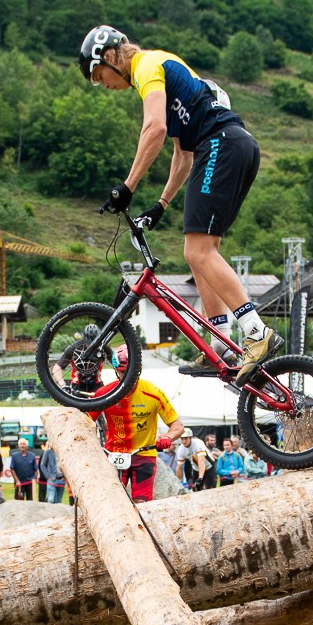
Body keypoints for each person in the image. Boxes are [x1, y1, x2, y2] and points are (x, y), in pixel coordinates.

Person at [79, 25, 274, 377]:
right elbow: (182, 154)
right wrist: (161, 204)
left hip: (220, 144)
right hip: (231, 145)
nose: (104, 85)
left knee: (199, 252)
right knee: (199, 251)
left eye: (99, 75)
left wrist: (127, 186)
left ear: (109, 57)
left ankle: (258, 334)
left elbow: (153, 128)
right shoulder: (164, 77)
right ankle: (220, 346)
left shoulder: (145, 66)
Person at [96, 351, 182, 503]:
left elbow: (177, 426)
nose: (128, 376)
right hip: (114, 454)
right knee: (113, 502)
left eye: (132, 371)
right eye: (123, 372)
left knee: (142, 503)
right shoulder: (104, 393)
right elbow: (85, 422)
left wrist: (167, 437)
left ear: (139, 369)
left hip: (144, 454)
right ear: (116, 371)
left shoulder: (153, 393)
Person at [9, 435, 41, 504]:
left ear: (27, 446)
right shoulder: (14, 456)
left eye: (24, 444)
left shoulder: (32, 456)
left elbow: (36, 469)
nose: (22, 446)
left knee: (30, 501)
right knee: (19, 502)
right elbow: (12, 469)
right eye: (21, 444)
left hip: (30, 482)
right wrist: (17, 481)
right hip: (19, 482)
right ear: (18, 446)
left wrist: (34, 479)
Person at [39, 439, 65, 506]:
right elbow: (42, 465)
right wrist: (48, 476)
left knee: (59, 500)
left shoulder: (63, 452)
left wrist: (65, 477)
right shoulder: (48, 452)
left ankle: (57, 515)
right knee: (51, 499)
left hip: (61, 479)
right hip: (52, 479)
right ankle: (50, 514)